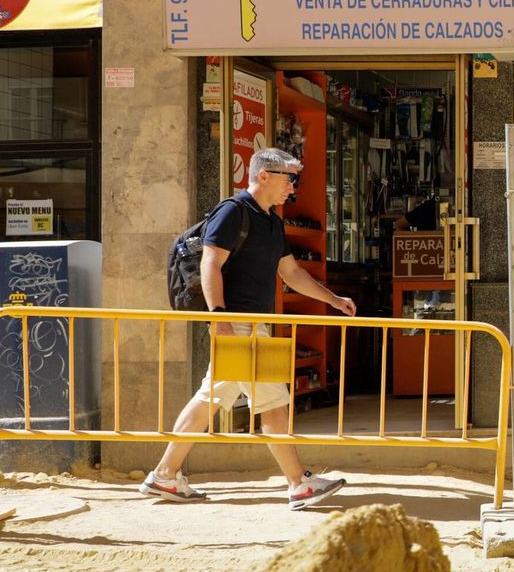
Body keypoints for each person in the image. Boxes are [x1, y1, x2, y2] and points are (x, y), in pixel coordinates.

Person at [140, 148, 356, 510]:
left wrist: (332, 300)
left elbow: (292, 274)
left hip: (253, 323)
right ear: (264, 176)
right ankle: (298, 484)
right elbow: (211, 264)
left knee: (212, 398)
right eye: (290, 179)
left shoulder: (271, 221)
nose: (293, 187)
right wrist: (219, 317)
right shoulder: (232, 212)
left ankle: (165, 474)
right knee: (272, 402)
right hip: (238, 323)